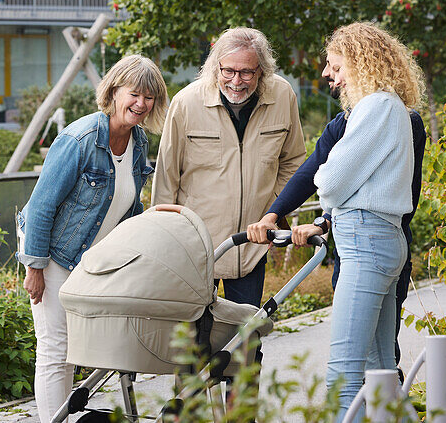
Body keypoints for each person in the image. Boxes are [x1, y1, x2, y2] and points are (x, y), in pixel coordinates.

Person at [256, 23, 421, 420]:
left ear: (360, 62)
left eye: (336, 65)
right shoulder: (392, 107)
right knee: (380, 367)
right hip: (382, 237)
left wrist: (330, 186)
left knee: (345, 371)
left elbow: (327, 181)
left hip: (365, 240)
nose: (331, 75)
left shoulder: (376, 107)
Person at [16, 55, 169, 423]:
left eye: (149, 97)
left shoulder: (139, 142)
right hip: (55, 258)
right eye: (135, 94)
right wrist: (34, 268)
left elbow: (129, 210)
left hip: (96, 264)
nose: (141, 104)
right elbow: (40, 207)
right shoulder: (79, 138)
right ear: (114, 92)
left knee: (86, 350)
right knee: (55, 349)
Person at [153, 27, 305, 307]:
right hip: (196, 248)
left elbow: (293, 161)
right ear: (215, 67)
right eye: (228, 71)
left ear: (262, 71)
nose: (237, 81)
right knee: (193, 340)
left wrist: (274, 210)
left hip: (252, 245)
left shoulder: (283, 95)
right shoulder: (186, 103)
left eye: (247, 72)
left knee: (247, 337)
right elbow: (166, 178)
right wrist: (166, 243)